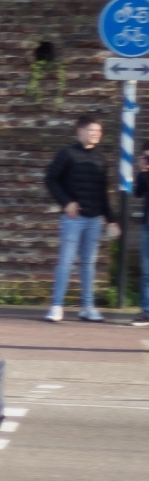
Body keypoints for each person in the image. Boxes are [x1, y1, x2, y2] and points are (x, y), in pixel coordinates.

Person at [44, 115, 119, 323]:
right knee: (66, 262)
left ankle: (87, 306)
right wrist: (66, 202)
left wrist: (111, 219)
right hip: (73, 219)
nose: (96, 134)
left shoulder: (101, 159)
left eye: (99, 131)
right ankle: (57, 305)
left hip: (94, 219)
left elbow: (103, 192)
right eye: (91, 130)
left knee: (89, 264)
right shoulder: (67, 154)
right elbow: (50, 179)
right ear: (80, 131)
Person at [130, 143, 149, 326]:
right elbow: (137, 193)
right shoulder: (144, 175)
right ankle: (147, 311)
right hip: (147, 226)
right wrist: (142, 174)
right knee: (146, 271)